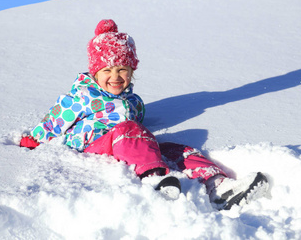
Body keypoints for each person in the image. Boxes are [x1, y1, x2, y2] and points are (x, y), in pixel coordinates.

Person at [20, 19, 269, 210]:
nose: (115, 76)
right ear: (95, 72)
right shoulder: (83, 95)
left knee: (177, 149)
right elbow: (56, 118)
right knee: (130, 131)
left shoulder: (133, 102)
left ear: (132, 70)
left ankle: (219, 185)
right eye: (107, 69)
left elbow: (136, 122)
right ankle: (154, 180)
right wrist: (34, 138)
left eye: (122, 69)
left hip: (128, 143)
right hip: (95, 145)